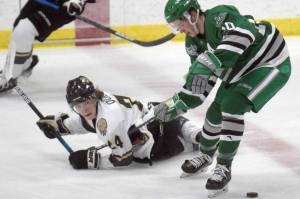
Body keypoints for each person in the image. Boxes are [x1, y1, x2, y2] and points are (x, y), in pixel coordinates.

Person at [152, 0, 291, 197]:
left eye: (178, 23)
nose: (179, 30)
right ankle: (206, 156)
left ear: (192, 14)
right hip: (240, 69)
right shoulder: (192, 44)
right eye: (174, 26)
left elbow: (246, 33)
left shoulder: (219, 16)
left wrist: (208, 62)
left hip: (269, 62)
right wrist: (176, 104)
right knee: (215, 112)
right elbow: (201, 84)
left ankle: (224, 167)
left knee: (232, 105)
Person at [36, 75, 202, 169]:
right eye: (77, 105)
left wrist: (91, 160)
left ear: (94, 97)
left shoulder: (108, 120)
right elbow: (85, 122)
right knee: (160, 110)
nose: (84, 109)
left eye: (86, 102)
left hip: (154, 144)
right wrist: (59, 127)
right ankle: (196, 134)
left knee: (145, 147)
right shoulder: (98, 104)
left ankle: (197, 140)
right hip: (149, 120)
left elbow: (123, 158)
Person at [0, 0, 95, 93]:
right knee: (19, 26)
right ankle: (25, 64)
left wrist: (77, 1)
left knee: (24, 31)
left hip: (63, 6)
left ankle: (9, 77)